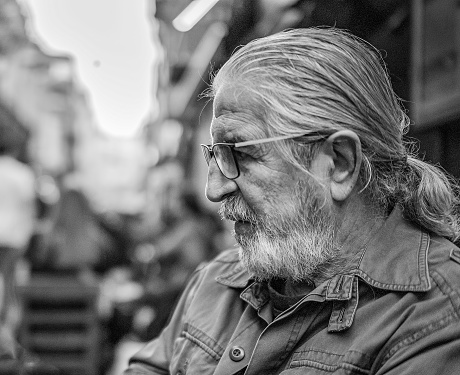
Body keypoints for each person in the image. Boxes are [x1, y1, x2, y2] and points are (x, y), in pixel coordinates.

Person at [124, 27, 460, 374]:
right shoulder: (216, 281)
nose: (214, 190)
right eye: (216, 155)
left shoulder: (434, 317)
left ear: (339, 163)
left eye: (240, 154)